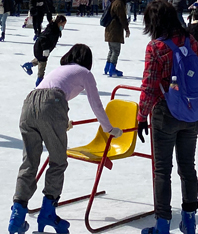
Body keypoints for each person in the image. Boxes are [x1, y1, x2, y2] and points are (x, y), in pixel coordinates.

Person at [8, 44, 122, 234]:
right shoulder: (85, 72)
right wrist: (109, 129)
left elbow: (44, 96)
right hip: (51, 105)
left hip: (29, 104)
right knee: (58, 161)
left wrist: (61, 120)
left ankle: (17, 215)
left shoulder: (59, 69)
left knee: (29, 163)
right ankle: (48, 212)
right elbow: (96, 104)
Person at [136, 0, 198, 234]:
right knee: (188, 167)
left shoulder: (156, 47)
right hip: (191, 111)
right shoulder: (190, 41)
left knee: (162, 170)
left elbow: (149, 85)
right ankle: (189, 221)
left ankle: (162, 224)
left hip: (165, 113)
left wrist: (141, 116)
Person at [22, 16, 68, 87]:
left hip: (43, 48)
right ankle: (39, 83)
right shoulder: (51, 30)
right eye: (62, 24)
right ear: (59, 22)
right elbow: (43, 38)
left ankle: (29, 65)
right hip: (40, 48)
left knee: (39, 59)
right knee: (42, 64)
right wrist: (45, 49)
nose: (63, 26)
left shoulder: (55, 28)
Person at [105, 0, 131, 77]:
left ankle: (107, 67)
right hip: (115, 29)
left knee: (111, 49)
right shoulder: (119, 3)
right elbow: (122, 18)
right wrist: (126, 28)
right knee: (116, 50)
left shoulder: (112, 0)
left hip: (109, 28)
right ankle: (112, 69)